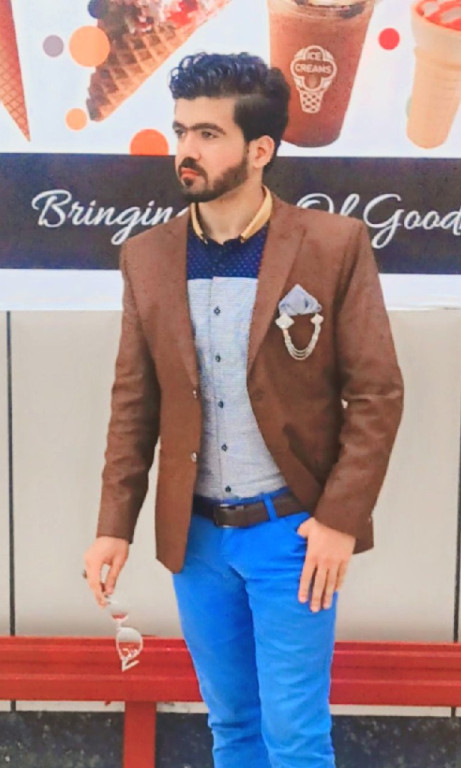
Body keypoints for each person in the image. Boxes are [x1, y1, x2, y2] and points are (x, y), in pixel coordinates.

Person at [84, 52, 404, 768]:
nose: (186, 150)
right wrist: (113, 526)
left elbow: (377, 394)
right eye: (180, 131)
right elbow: (134, 401)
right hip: (196, 539)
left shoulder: (332, 245)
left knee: (295, 736)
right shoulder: (147, 257)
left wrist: (338, 521)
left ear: (260, 150)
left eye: (207, 134)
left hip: (291, 535)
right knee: (230, 725)